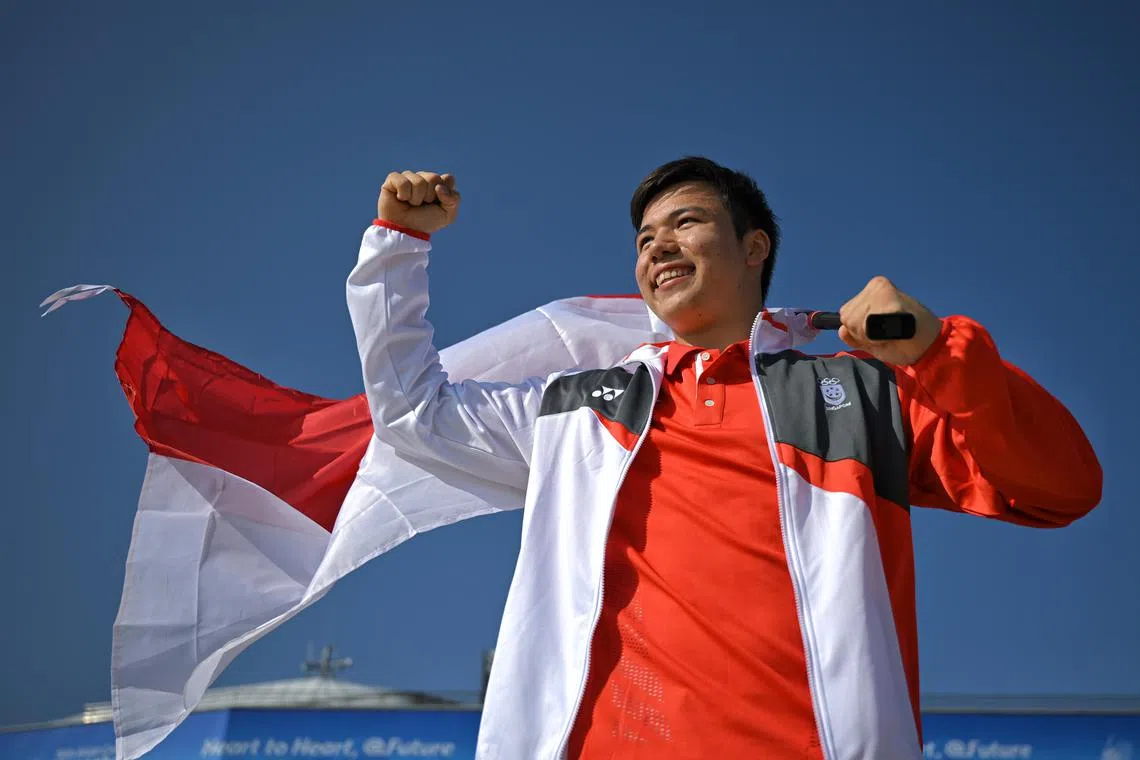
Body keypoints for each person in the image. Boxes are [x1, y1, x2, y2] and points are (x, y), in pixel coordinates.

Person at [345, 157, 1102, 759]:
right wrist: (397, 248)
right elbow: (414, 414)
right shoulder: (578, 411)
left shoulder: (861, 396)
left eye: (686, 223)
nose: (659, 246)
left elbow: (1060, 488)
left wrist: (938, 353)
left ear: (753, 246)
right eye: (645, 238)